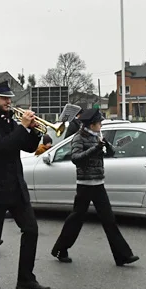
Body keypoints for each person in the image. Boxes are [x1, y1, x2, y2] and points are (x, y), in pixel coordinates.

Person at [0, 81, 51, 289]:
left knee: (31, 230)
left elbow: (26, 146)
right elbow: (2, 146)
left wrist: (35, 130)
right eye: (4, 98)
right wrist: (23, 127)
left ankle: (26, 278)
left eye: (10, 98)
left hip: (16, 186)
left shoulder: (9, 119)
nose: (9, 102)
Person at [50, 109, 138, 265]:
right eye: (99, 123)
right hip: (85, 185)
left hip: (98, 183)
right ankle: (60, 249)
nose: (101, 126)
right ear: (91, 124)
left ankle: (122, 256)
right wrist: (95, 148)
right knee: (76, 219)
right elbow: (76, 158)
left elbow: (109, 152)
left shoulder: (97, 135)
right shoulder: (78, 137)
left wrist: (107, 147)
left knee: (109, 220)